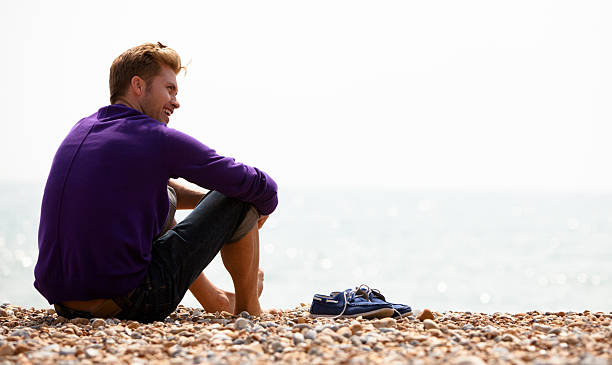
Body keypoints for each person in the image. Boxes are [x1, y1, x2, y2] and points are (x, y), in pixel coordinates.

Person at [33, 42, 278, 323]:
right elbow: (258, 185)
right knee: (242, 195)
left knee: (162, 194)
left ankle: (215, 299)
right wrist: (256, 207)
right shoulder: (153, 137)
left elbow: (158, 189)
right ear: (138, 85)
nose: (176, 101)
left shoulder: (83, 128)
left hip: (64, 303)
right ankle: (249, 310)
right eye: (170, 89)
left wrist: (210, 206)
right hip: (130, 301)